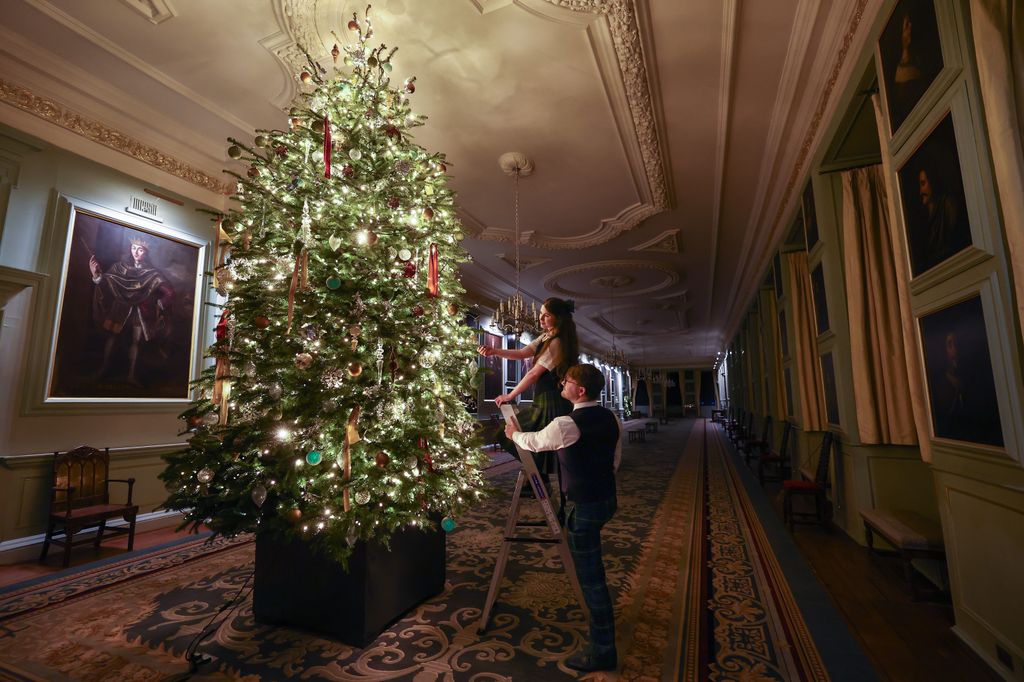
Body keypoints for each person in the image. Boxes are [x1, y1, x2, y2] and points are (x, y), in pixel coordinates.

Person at [505, 363, 622, 673]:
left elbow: (535, 442)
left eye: (567, 381)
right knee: (592, 568)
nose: (562, 385)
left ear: (580, 390)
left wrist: (514, 432)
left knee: (592, 579)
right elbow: (614, 461)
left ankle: (603, 650)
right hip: (607, 499)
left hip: (583, 505)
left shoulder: (566, 423)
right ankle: (602, 627)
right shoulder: (611, 417)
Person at [478, 297, 580, 478]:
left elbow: (533, 374)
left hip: (551, 400)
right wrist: (495, 351)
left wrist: (511, 395)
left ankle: (544, 482)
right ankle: (541, 480)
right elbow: (522, 353)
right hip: (543, 399)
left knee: (540, 441)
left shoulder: (557, 342)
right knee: (536, 440)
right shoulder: (546, 337)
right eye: (541, 315)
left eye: (546, 316)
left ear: (558, 318)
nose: (540, 319)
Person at [88, 234, 174, 385]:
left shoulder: (152, 273)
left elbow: (169, 292)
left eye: (140, 250)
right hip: (121, 307)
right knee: (113, 337)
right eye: (134, 248)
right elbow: (105, 282)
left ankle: (131, 375)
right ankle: (104, 369)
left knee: (137, 340)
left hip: (141, 310)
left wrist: (159, 304)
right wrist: (96, 275)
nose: (136, 252)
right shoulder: (119, 268)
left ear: (146, 253)